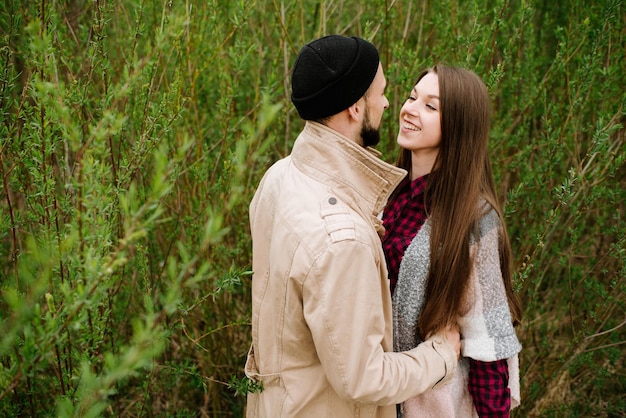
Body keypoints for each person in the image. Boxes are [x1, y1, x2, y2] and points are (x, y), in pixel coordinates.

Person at [244, 36, 461, 418]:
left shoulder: (278, 178)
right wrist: (441, 356)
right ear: (355, 106)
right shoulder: (343, 239)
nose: (389, 104)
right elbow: (363, 379)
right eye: (382, 93)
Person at [383, 65, 523, 417]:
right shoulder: (386, 194)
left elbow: (487, 339)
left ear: (459, 125)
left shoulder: (475, 218)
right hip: (376, 396)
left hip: (433, 405)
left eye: (431, 106)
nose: (410, 109)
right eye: (413, 97)